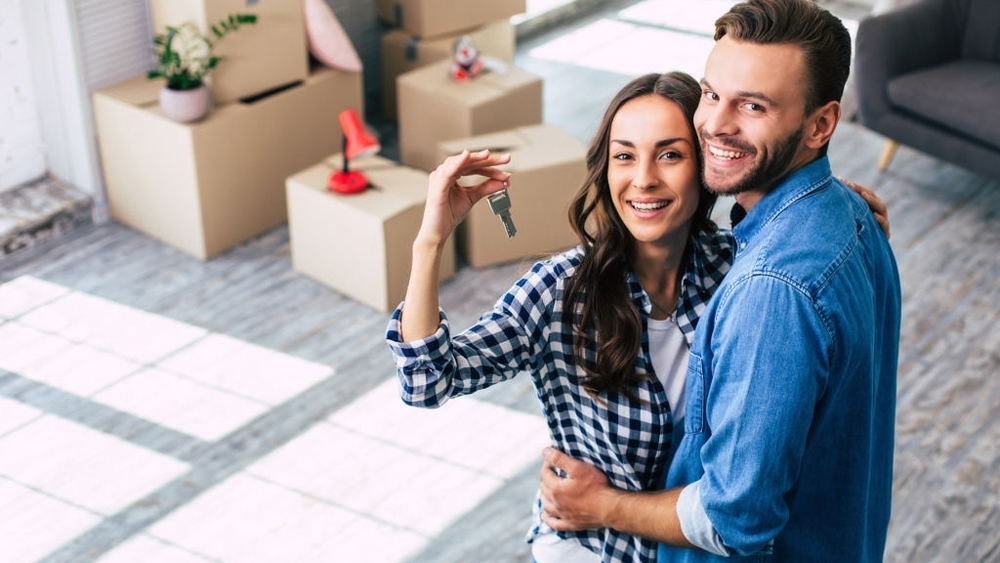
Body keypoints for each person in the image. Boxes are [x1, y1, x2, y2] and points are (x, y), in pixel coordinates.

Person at [538, 1, 902, 562]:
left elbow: (734, 520)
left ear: (821, 124)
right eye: (711, 94)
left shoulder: (772, 292)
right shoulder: (852, 217)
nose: (713, 124)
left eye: (753, 105)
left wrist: (600, 506)